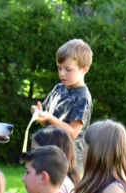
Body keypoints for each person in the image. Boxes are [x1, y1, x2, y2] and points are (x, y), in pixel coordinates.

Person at [31, 39, 93, 169]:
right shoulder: (59, 88)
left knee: (67, 190)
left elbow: (72, 133)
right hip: (50, 152)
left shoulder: (82, 98)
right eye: (59, 68)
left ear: (84, 70)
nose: (61, 73)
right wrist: (40, 116)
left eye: (68, 70)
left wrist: (49, 118)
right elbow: (49, 124)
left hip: (70, 159)